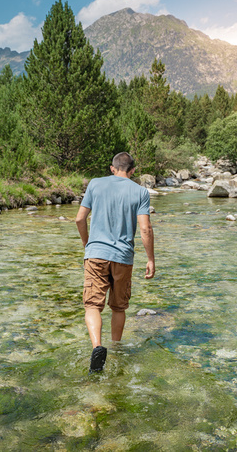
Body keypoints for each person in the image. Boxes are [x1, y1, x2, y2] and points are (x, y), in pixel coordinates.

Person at [75, 152, 155, 373]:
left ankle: (97, 347)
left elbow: (80, 218)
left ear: (112, 168)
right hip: (123, 258)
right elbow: (145, 228)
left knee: (92, 305)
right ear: (132, 171)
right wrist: (150, 259)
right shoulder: (140, 192)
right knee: (119, 307)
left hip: (96, 254)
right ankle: (116, 350)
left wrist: (87, 244)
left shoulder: (95, 184)